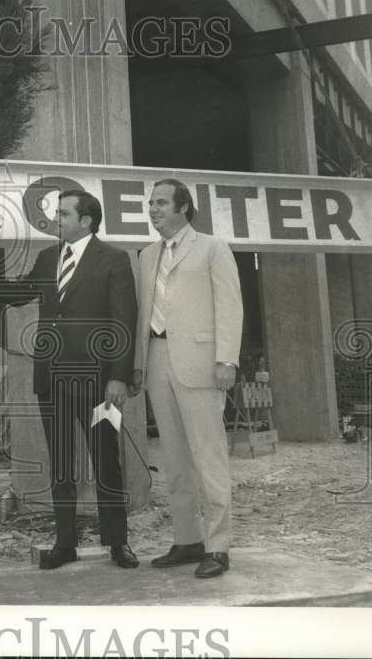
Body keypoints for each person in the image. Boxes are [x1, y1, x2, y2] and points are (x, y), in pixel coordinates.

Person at [0, 190, 139, 570]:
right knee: (62, 464)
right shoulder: (47, 258)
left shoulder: (114, 260)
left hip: (99, 383)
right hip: (52, 380)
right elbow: (16, 293)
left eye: (64, 214)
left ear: (86, 220)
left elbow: (124, 321)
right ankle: (65, 543)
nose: (57, 219)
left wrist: (118, 378)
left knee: (106, 461)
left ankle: (118, 543)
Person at [132, 178, 243, 579]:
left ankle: (218, 546)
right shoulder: (146, 255)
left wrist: (226, 359)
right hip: (157, 359)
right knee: (174, 458)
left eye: (161, 203)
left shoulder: (213, 247)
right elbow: (145, 313)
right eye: (150, 203)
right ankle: (187, 539)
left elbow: (230, 306)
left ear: (183, 208)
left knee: (208, 457)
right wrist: (138, 364)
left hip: (201, 363)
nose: (153, 209)